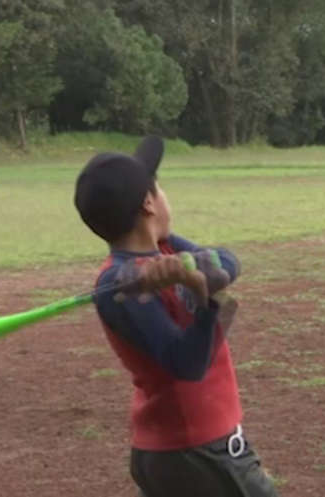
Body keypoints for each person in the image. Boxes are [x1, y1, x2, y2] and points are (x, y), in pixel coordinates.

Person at [73, 136, 279, 497]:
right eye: (160, 188)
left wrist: (194, 272)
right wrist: (206, 300)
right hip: (196, 450)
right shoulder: (117, 286)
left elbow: (228, 261)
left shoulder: (166, 248)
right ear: (149, 203)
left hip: (180, 450)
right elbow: (187, 364)